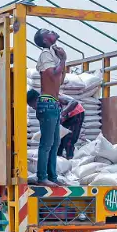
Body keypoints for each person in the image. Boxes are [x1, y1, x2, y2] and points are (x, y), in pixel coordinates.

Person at [34, 29, 67, 187]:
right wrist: (63, 60)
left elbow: (60, 79)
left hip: (52, 103)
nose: (53, 31)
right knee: (47, 143)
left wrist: (63, 61)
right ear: (45, 40)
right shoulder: (45, 54)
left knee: (55, 143)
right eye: (48, 32)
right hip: (47, 103)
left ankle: (52, 177)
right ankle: (42, 177)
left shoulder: (53, 54)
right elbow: (53, 74)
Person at [27, 89, 85, 159]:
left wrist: (62, 114)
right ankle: (59, 164)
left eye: (35, 106)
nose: (35, 108)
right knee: (57, 142)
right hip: (64, 119)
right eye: (33, 107)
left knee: (68, 141)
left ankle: (71, 163)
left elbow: (74, 102)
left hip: (76, 113)